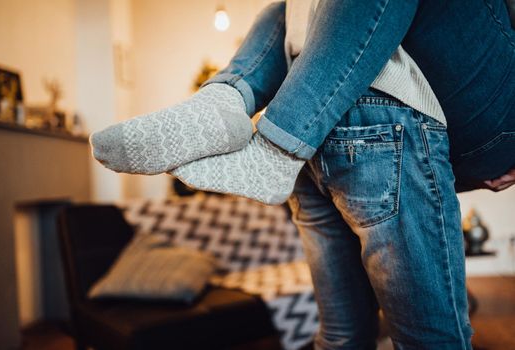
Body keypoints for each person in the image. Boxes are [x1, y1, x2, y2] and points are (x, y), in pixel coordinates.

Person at [90, 0, 515, 348]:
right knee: (401, 340)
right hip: (331, 121)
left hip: (329, 123)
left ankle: (258, 129)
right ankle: (229, 106)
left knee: (358, 337)